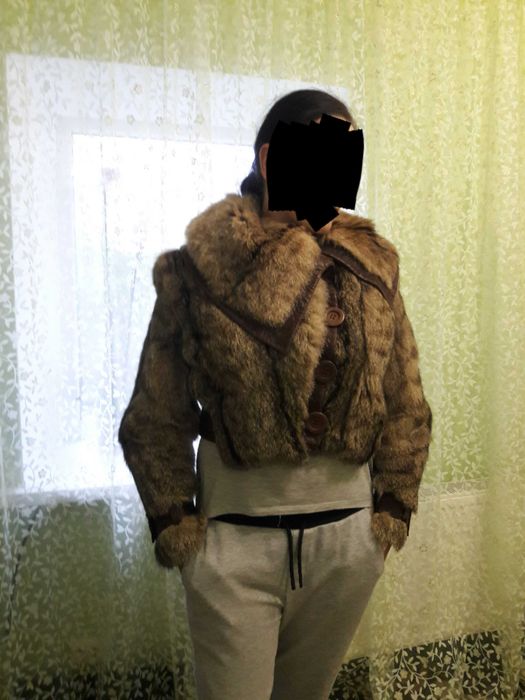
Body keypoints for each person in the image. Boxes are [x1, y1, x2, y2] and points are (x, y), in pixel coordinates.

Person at [118, 88, 433, 700]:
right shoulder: (200, 268)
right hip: (233, 544)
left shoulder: (374, 268)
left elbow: (404, 397)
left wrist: (393, 509)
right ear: (269, 159)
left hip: (348, 544)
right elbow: (156, 414)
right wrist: (178, 528)